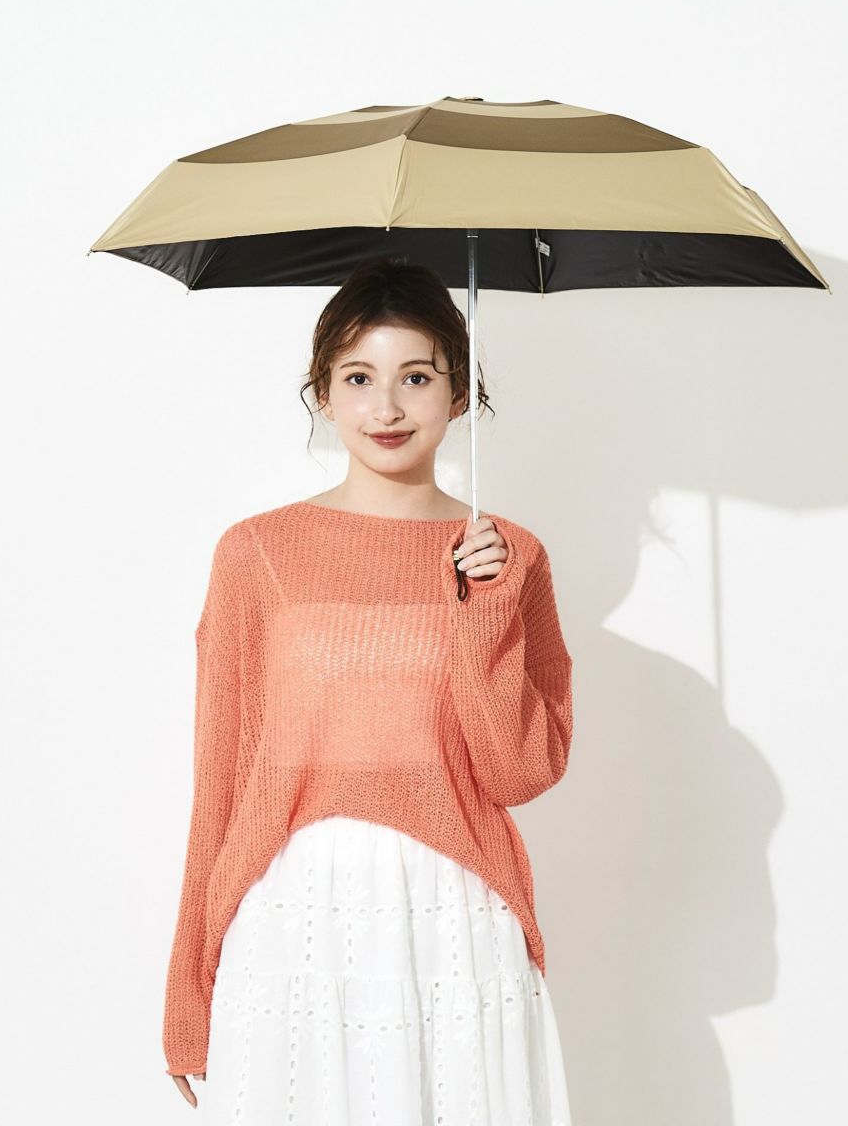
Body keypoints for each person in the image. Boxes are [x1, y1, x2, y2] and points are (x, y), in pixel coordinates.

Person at [165, 256, 575, 1123]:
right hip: (291, 917)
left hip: (454, 915)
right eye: (358, 378)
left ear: (459, 394)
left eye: (416, 377)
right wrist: (188, 992)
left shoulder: (513, 557)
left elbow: (519, 773)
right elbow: (221, 779)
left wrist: (486, 609)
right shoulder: (257, 554)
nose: (386, 407)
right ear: (322, 393)